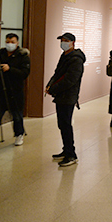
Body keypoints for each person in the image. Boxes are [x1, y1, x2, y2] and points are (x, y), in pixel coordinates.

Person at [0, 33, 31, 153]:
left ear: (17, 43)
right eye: (8, 41)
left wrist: (10, 69)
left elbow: (24, 73)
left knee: (17, 116)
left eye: (12, 42)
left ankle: (19, 134)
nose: (10, 44)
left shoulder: (23, 56)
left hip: (15, 92)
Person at [45, 32, 85, 167]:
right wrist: (50, 85)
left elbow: (70, 80)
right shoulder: (65, 56)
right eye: (62, 40)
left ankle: (71, 154)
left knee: (66, 124)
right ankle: (66, 149)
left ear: (73, 43)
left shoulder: (76, 59)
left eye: (66, 41)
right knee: (62, 124)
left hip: (68, 96)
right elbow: (57, 73)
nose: (63, 43)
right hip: (61, 95)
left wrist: (54, 89)